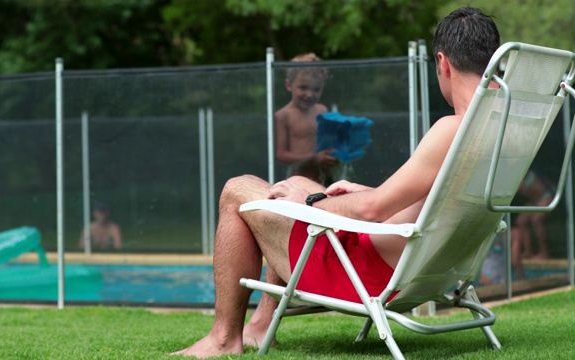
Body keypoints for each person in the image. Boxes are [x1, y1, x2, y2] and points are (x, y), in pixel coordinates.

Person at [172, 7, 500, 358]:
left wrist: (308, 203)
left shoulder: (453, 128)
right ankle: (260, 325)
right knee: (297, 181)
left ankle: (224, 338)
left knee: (237, 189)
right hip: (431, 271)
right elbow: (432, 204)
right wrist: (352, 192)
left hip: (370, 277)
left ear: (443, 63)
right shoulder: (500, 128)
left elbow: (373, 211)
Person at [275, 53, 339, 184]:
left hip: (325, 178)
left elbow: (329, 141)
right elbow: (281, 155)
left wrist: (337, 151)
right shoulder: (283, 115)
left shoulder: (322, 110)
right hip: (299, 180)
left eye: (316, 89)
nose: (309, 94)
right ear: (289, 85)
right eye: (303, 87)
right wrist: (314, 158)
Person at [510, 170, 555, 278]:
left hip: (545, 197)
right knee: (521, 220)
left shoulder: (526, 174)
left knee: (536, 220)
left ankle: (544, 252)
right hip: (535, 200)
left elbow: (516, 190)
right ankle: (528, 251)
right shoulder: (518, 177)